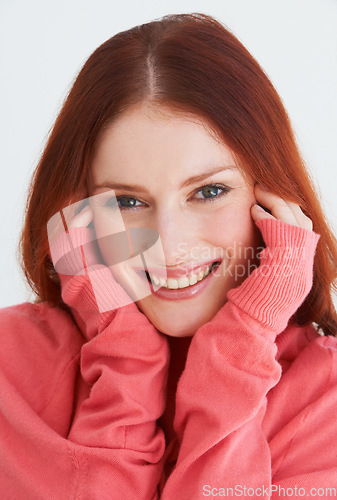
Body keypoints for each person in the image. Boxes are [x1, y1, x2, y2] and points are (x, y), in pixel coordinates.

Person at [1, 11, 337, 499]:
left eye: (209, 191)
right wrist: (122, 357)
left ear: (273, 202)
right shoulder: (11, 362)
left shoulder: (326, 398)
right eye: (127, 202)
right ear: (78, 213)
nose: (168, 244)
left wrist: (239, 346)